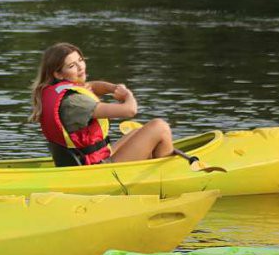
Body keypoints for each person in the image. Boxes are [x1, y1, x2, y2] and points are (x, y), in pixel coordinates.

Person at [29, 42, 174, 166]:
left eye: (81, 60)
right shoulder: (74, 103)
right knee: (159, 127)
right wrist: (128, 95)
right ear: (58, 74)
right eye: (72, 65)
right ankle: (164, 178)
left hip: (90, 161)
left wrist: (114, 88)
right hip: (95, 169)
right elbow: (130, 111)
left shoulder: (61, 89)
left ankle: (152, 166)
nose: (81, 67)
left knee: (138, 132)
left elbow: (92, 86)